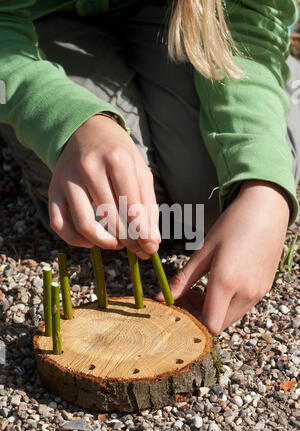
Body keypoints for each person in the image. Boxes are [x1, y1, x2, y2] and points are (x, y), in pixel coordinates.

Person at [0, 0, 299, 336]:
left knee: (216, 202)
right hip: (32, 20)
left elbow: (252, 15)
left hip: (187, 14)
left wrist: (264, 186)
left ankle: (280, 90)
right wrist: (67, 122)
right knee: (105, 205)